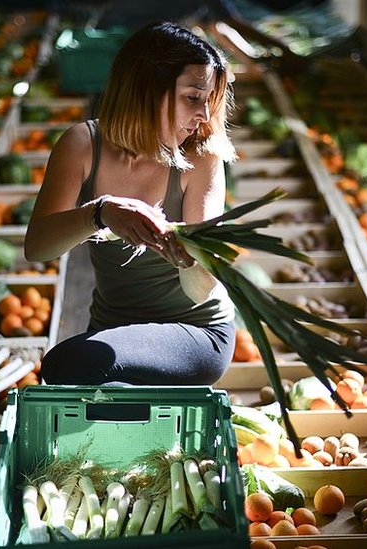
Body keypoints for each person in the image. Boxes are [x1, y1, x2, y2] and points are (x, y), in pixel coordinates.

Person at [25, 21, 237, 386]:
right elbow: (38, 248)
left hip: (194, 332)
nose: (203, 115)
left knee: (65, 365)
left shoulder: (203, 156)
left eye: (208, 101)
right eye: (192, 98)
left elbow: (201, 290)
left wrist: (185, 253)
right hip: (113, 329)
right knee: (87, 381)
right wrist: (100, 214)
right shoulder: (81, 145)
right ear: (146, 90)